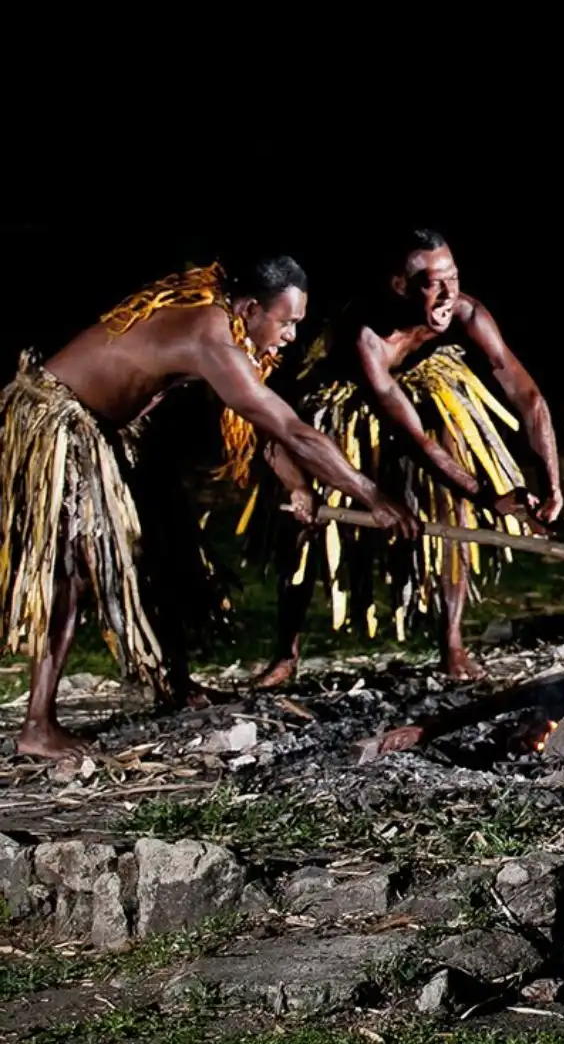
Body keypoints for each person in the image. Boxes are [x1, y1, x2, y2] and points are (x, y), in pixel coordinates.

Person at [0, 256, 420, 759]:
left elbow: (266, 432)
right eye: (285, 322)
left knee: (165, 545)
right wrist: (371, 495)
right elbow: (289, 429)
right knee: (70, 572)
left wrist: (299, 488)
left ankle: (173, 682)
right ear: (249, 308)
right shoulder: (212, 340)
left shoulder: (226, 323)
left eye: (298, 324)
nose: (290, 337)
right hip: (58, 420)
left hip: (107, 430)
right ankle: (37, 726)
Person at [244, 229, 563, 686]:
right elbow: (412, 435)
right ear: (400, 286)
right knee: (303, 519)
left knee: (451, 513)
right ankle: (285, 653)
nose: (449, 293)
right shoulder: (367, 334)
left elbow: (527, 395)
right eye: (433, 283)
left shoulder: (467, 312)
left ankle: (452, 643)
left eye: (453, 278)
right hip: (346, 402)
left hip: (426, 388)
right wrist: (488, 495)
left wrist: (551, 482)